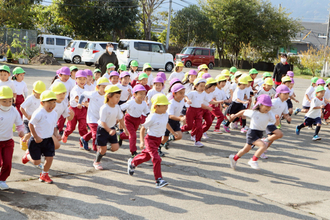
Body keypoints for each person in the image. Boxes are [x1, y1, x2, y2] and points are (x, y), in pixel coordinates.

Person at [127, 93, 178, 188]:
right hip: (150, 140)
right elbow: (143, 128)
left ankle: (133, 162)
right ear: (156, 107)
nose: (166, 107)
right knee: (156, 158)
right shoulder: (152, 117)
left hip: (158, 140)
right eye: (164, 105)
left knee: (146, 157)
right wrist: (141, 141)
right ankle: (158, 180)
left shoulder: (165, 114)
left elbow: (166, 123)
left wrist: (173, 132)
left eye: (167, 105)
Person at [229, 94, 277, 170]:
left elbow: (274, 123)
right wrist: (235, 115)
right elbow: (244, 111)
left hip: (260, 133)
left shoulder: (269, 114)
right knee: (263, 146)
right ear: (260, 105)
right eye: (266, 106)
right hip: (252, 133)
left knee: (246, 149)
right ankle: (253, 160)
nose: (268, 108)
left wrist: (277, 119)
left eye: (269, 106)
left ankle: (234, 158)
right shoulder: (254, 112)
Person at [22, 90, 60, 184]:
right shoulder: (39, 113)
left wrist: (56, 133)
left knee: (50, 158)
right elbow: (31, 124)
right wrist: (35, 137)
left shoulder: (54, 113)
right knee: (36, 162)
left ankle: (44, 174)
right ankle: (27, 156)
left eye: (54, 102)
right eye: (49, 102)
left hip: (48, 140)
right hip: (37, 141)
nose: (52, 105)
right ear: (42, 103)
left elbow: (54, 125)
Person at [93, 85, 128, 170]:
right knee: (103, 150)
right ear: (109, 96)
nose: (118, 99)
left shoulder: (117, 107)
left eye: (119, 97)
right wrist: (109, 131)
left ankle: (103, 147)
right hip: (102, 130)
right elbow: (102, 122)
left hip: (111, 129)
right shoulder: (104, 108)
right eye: (116, 97)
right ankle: (96, 162)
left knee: (115, 148)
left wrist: (125, 129)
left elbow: (120, 118)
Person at [0, 86, 24, 190]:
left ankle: (2, 180)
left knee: (7, 163)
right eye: (4, 101)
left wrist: (21, 131)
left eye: (10, 100)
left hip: (8, 141)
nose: (7, 103)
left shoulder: (14, 111)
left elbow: (19, 123)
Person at [79, 77, 110, 151]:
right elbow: (83, 94)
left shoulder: (108, 96)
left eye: (106, 87)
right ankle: (96, 148)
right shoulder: (93, 94)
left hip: (101, 118)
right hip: (91, 117)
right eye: (103, 87)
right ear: (97, 87)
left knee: (96, 132)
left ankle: (84, 138)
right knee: (96, 133)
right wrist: (79, 103)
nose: (105, 89)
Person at [119, 85, 150, 157]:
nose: (143, 96)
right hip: (129, 119)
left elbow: (147, 112)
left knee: (131, 135)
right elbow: (120, 108)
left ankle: (121, 136)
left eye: (144, 94)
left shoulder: (144, 103)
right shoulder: (131, 102)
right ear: (134, 94)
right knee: (133, 135)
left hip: (137, 121)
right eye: (140, 94)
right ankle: (133, 152)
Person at [261, 85, 291, 159]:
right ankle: (264, 141)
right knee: (278, 135)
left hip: (274, 123)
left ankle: (261, 151)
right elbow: (266, 107)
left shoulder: (285, 103)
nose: (286, 96)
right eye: (284, 94)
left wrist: (288, 117)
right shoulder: (275, 101)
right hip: (268, 122)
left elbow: (285, 113)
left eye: (287, 94)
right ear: (279, 94)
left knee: (271, 139)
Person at [158, 84, 185, 156]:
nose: (182, 95)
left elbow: (181, 110)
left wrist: (182, 117)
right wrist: (180, 118)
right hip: (168, 122)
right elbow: (170, 115)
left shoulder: (182, 101)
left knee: (179, 136)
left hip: (176, 121)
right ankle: (158, 148)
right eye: (180, 93)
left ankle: (168, 140)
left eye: (183, 93)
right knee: (164, 138)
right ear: (174, 94)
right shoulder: (172, 103)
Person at [181, 78, 209, 147]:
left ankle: (197, 141)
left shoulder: (204, 94)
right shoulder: (193, 93)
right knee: (189, 126)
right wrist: (188, 100)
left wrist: (217, 102)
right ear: (196, 86)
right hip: (191, 110)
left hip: (199, 111)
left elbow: (209, 101)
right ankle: (178, 130)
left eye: (204, 86)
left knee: (199, 126)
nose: (203, 88)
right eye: (201, 86)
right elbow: (186, 96)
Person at [62, 70, 88, 144]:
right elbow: (77, 99)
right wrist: (83, 103)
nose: (82, 81)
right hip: (73, 110)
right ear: (76, 79)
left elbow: (86, 99)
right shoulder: (75, 89)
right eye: (80, 79)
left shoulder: (86, 89)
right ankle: (66, 133)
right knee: (71, 127)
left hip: (82, 110)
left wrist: (87, 104)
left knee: (83, 127)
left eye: (84, 79)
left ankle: (82, 143)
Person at [20, 81, 46, 151]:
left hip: (36, 120)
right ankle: (23, 139)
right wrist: (27, 115)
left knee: (34, 134)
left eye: (42, 93)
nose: (40, 94)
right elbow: (21, 107)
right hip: (27, 120)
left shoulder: (43, 98)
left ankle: (30, 147)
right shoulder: (30, 98)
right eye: (38, 93)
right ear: (34, 91)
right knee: (29, 133)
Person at [50, 67, 74, 136]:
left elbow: (70, 93)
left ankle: (60, 129)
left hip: (64, 102)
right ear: (60, 75)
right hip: (55, 102)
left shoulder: (69, 83)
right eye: (65, 75)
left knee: (62, 118)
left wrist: (70, 101)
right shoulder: (57, 82)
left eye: (68, 75)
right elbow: (50, 91)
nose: (66, 77)